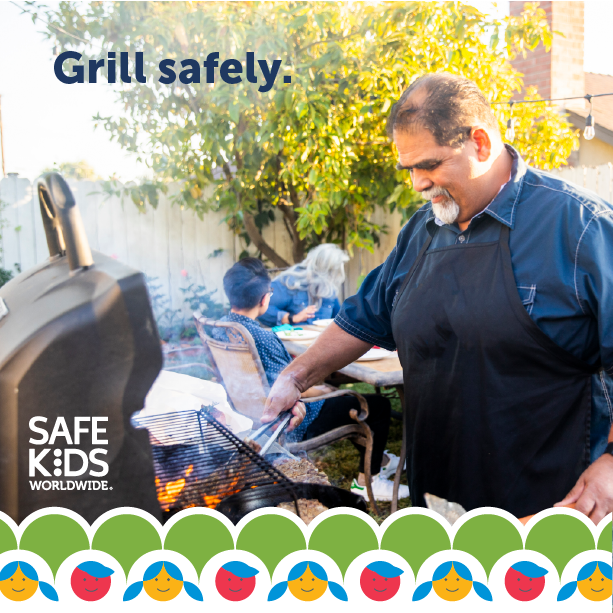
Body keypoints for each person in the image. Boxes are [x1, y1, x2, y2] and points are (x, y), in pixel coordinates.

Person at [262, 73, 613, 524]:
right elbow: (364, 318)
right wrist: (295, 376)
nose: (417, 184)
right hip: (439, 495)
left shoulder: (581, 228)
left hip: (549, 507)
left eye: (428, 165)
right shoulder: (421, 232)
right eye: (408, 169)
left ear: (480, 144)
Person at [213, 258, 409, 502]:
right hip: (293, 420)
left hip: (251, 414)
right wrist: (323, 389)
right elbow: (292, 390)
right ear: (265, 298)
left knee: (349, 396)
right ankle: (367, 482)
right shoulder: (262, 337)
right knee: (378, 406)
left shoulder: (220, 327)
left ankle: (381, 458)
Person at [258, 243, 348, 328]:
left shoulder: (329, 288)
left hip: (321, 342)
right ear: (326, 269)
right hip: (291, 342)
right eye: (333, 271)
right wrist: (291, 318)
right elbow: (260, 307)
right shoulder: (290, 282)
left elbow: (338, 320)